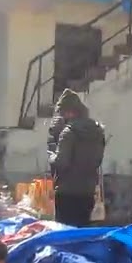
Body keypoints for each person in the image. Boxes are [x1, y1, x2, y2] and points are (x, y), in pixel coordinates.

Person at [48, 89, 106, 227]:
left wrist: (51, 154)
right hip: (87, 190)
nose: (61, 116)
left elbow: (61, 162)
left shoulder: (69, 132)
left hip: (67, 192)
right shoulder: (97, 131)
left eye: (62, 112)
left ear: (69, 111)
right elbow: (97, 160)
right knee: (81, 231)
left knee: (64, 232)